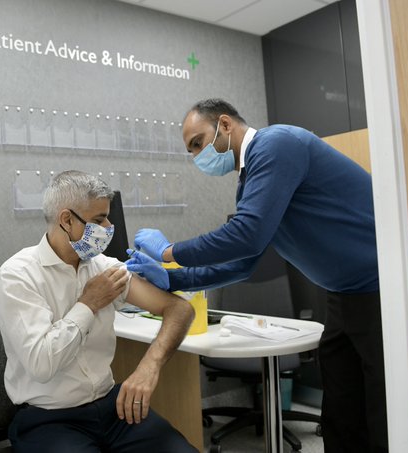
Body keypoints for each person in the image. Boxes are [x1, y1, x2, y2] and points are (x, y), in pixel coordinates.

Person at [126, 99, 388, 453]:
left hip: (381, 291)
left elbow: (248, 234)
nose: (197, 156)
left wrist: (170, 251)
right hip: (343, 295)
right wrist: (173, 280)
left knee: (382, 413)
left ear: (225, 124)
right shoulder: (250, 179)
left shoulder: (277, 144)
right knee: (342, 413)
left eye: (198, 143)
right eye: (191, 151)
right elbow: (244, 261)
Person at [0, 170, 197, 453]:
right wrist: (88, 304)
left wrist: (148, 368)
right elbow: (41, 364)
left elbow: (179, 309)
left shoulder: (104, 267)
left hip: (113, 408)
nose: (109, 227)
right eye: (99, 220)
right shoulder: (18, 276)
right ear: (66, 220)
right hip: (49, 418)